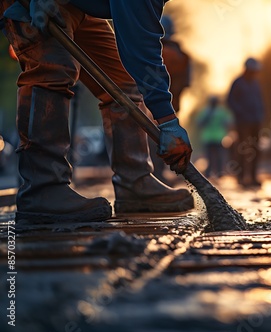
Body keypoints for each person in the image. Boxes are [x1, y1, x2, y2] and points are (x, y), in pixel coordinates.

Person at [0, 0, 194, 224]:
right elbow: (143, 49)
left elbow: (138, 41)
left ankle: (135, 181)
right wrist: (168, 121)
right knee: (53, 69)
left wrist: (167, 119)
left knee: (122, 83)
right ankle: (42, 189)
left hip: (80, 8)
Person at [149, 14, 191, 184]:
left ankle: (154, 173)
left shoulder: (149, 51)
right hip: (171, 105)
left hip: (148, 103)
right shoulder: (183, 55)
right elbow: (186, 83)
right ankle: (159, 173)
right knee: (162, 138)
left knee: (150, 138)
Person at [227, 57, 265, 187]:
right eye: (253, 71)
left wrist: (261, 113)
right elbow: (230, 101)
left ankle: (253, 177)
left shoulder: (256, 83)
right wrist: (240, 112)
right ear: (247, 70)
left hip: (255, 120)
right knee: (242, 149)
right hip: (242, 121)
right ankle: (241, 177)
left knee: (255, 149)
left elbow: (259, 100)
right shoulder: (238, 83)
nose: (255, 73)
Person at [196, 96, 232, 179]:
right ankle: (219, 173)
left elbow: (199, 123)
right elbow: (228, 122)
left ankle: (209, 173)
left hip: (208, 137)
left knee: (209, 156)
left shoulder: (205, 111)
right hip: (219, 136)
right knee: (219, 156)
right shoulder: (222, 111)